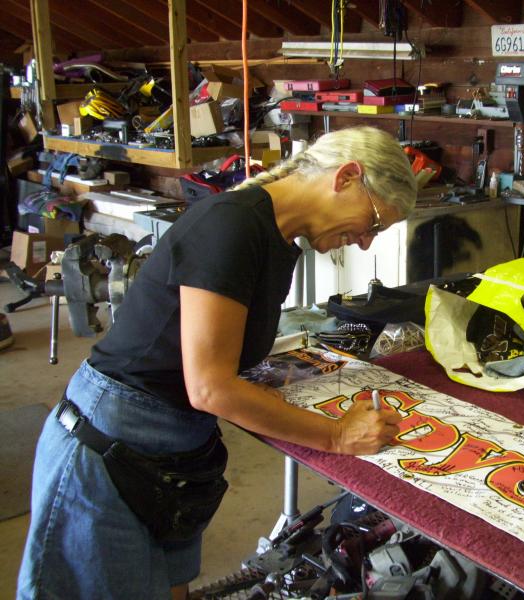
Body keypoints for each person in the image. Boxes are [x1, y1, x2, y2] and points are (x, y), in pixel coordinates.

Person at [18, 125, 417, 600]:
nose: (367, 242)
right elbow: (209, 387)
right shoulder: (233, 225)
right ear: (347, 176)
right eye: (373, 221)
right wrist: (336, 435)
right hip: (110, 449)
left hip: (172, 454)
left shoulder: (278, 239)